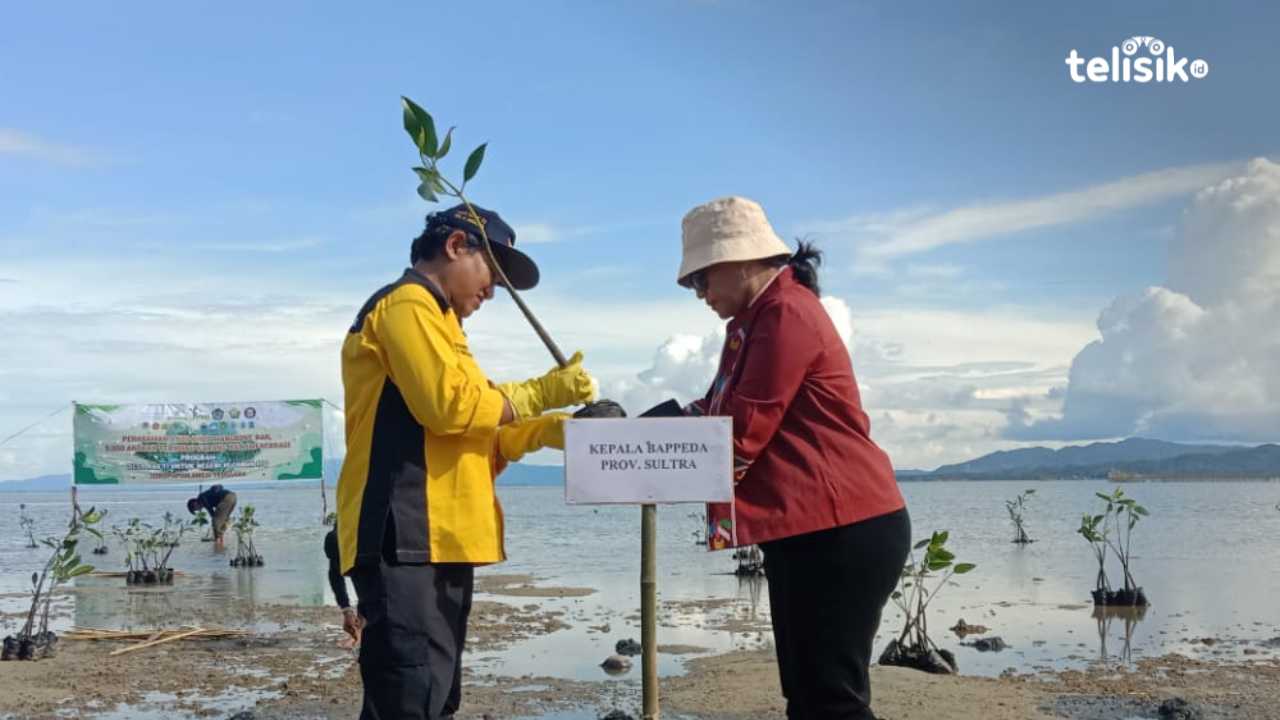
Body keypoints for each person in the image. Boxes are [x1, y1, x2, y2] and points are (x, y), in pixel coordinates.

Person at [335, 203, 594, 720]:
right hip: (401, 532)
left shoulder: (445, 326)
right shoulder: (406, 305)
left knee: (436, 693)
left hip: (443, 536)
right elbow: (450, 407)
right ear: (456, 245)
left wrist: (551, 430)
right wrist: (543, 392)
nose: (492, 292)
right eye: (491, 273)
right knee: (410, 693)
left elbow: (478, 436)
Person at [675, 196, 911, 720]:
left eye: (701, 279)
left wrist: (643, 459)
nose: (701, 294)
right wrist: (636, 426)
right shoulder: (755, 322)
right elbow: (715, 410)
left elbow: (741, 431)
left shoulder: (786, 314)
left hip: (841, 529)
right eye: (693, 284)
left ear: (739, 260)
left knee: (830, 702)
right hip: (811, 530)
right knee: (807, 698)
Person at [324, 528, 362, 645]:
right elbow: (335, 576)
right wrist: (347, 611)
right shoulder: (335, 541)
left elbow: (368, 588)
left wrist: (361, 626)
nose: (341, 569)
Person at [186, 484, 237, 549]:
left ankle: (217, 543)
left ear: (194, 503)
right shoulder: (204, 497)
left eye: (196, 509)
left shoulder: (201, 498)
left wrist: (214, 521)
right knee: (223, 521)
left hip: (226, 498)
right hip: (233, 497)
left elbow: (212, 513)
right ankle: (221, 540)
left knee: (216, 521)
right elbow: (220, 486)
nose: (198, 510)